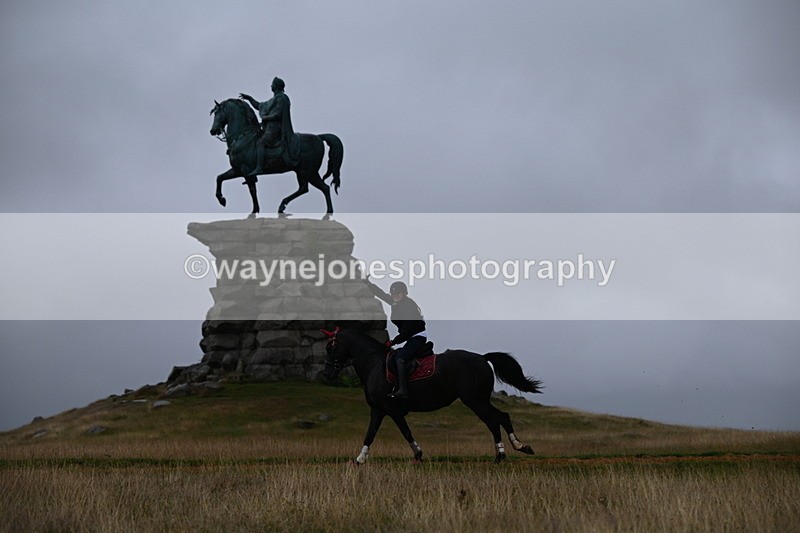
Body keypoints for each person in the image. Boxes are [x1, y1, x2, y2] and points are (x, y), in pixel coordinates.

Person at [363, 278, 427, 399]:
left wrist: (394, 341)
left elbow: (407, 331)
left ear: (404, 294)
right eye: (393, 294)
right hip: (409, 337)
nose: (395, 296)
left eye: (397, 293)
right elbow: (381, 294)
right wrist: (368, 283)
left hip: (417, 337)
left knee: (400, 359)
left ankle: (403, 390)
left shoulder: (409, 307)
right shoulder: (395, 303)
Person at [239, 77, 300, 176]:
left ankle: (259, 168)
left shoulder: (282, 98)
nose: (271, 86)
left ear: (276, 86)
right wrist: (249, 98)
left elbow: (279, 114)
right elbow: (259, 106)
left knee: (261, 142)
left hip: (276, 128)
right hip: (270, 128)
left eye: (272, 84)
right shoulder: (273, 100)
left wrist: (266, 118)